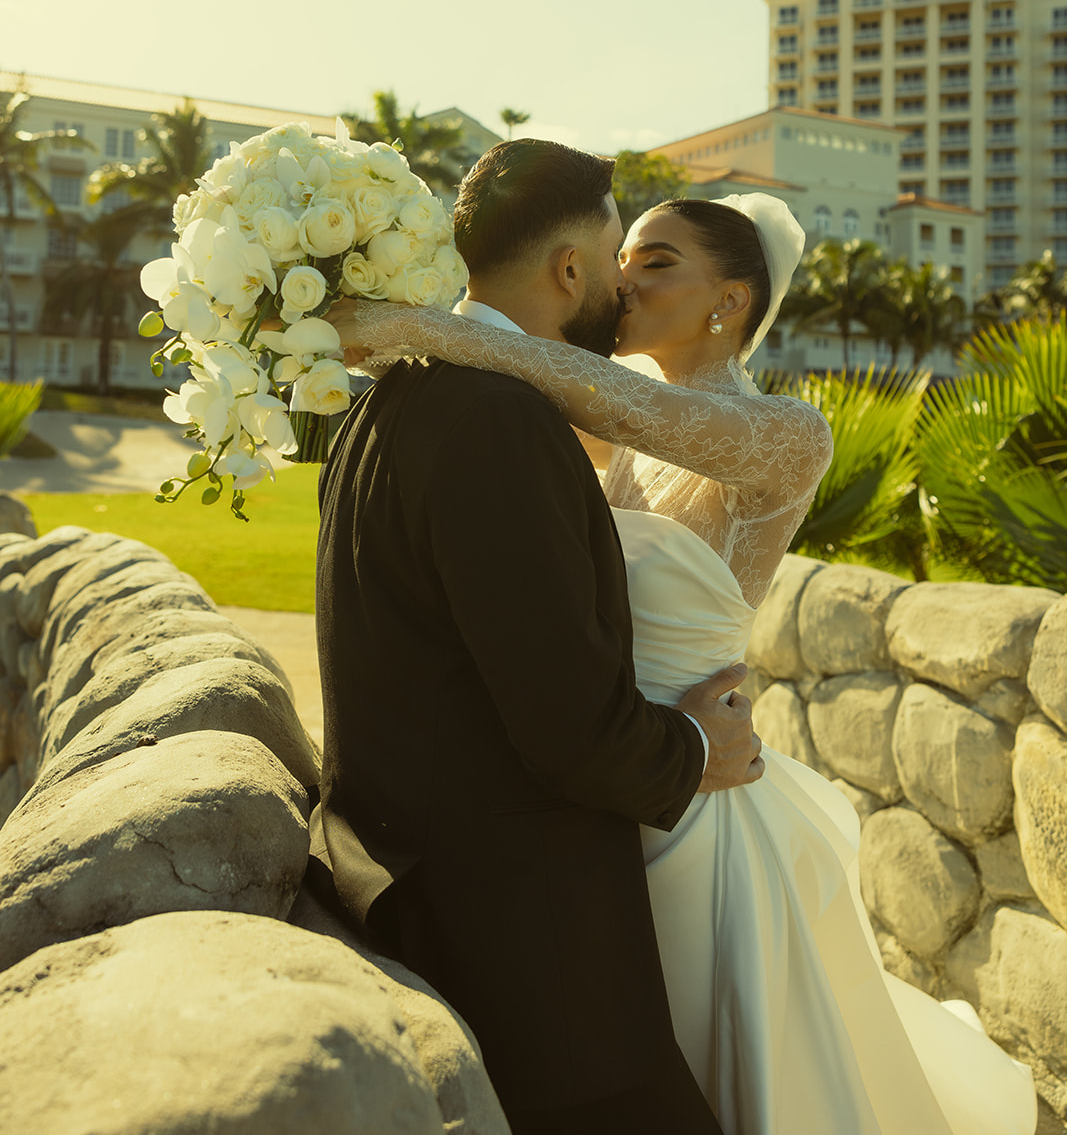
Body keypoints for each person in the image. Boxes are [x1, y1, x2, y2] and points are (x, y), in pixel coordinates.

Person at [330, 140, 1038, 1135]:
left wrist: (418, 324)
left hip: (688, 793)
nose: (623, 274)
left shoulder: (783, 434)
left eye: (657, 261)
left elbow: (596, 386)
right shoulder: (597, 429)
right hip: (612, 779)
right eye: (624, 254)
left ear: (731, 302)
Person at [313, 139, 765, 1135]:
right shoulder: (497, 420)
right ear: (569, 270)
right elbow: (569, 725)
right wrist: (697, 744)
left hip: (421, 885)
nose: (619, 282)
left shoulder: (388, 397)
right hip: (520, 939)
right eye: (613, 258)